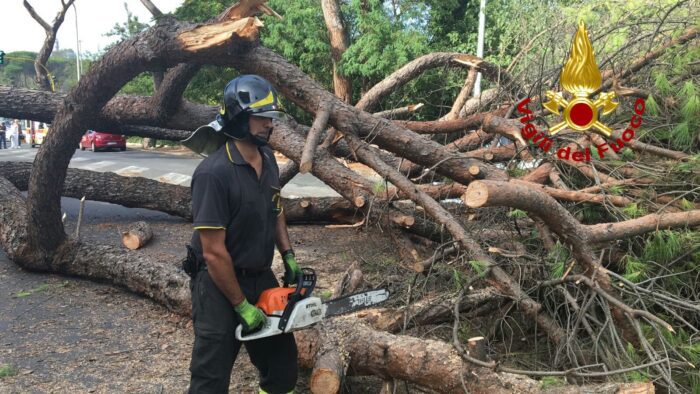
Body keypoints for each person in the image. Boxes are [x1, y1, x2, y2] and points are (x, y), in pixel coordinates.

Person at [182, 75, 300, 394]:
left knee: (283, 366)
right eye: (262, 117)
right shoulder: (213, 174)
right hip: (217, 281)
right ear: (238, 116)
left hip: (259, 275)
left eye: (271, 117)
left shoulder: (269, 161)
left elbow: (275, 209)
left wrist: (288, 254)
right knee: (211, 375)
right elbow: (213, 253)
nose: (269, 124)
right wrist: (241, 305)